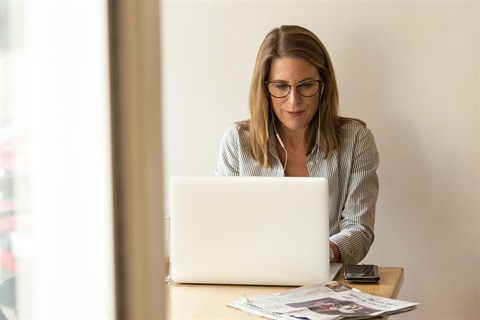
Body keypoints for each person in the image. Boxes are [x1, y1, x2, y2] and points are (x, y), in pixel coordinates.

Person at [215, 25, 379, 265]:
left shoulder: (356, 140)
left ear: (323, 85)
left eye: (305, 85)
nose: (293, 101)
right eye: (281, 86)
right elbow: (224, 227)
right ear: (265, 88)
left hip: (327, 281)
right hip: (252, 277)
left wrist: (317, 254)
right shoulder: (236, 141)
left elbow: (359, 229)